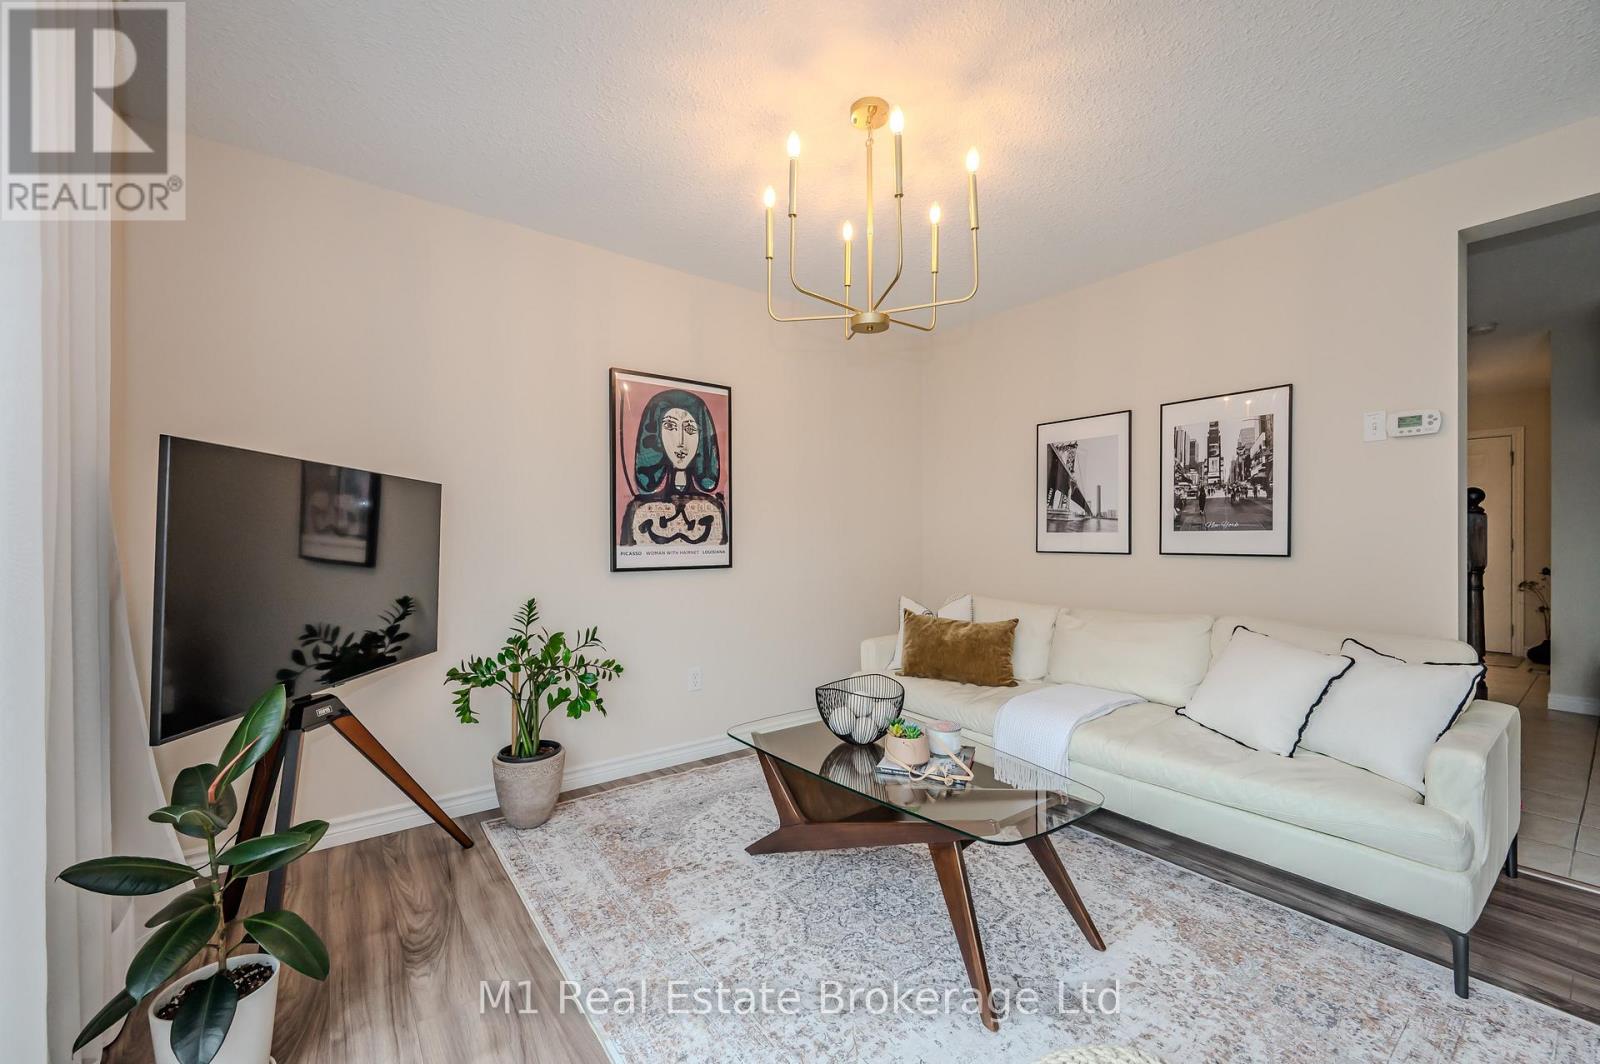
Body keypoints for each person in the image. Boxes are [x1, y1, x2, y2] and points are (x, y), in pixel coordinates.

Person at [619, 388, 728, 547]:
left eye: (690, 429)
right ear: (656, 433)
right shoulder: (638, 510)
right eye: (670, 427)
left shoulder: (714, 509)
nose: (681, 442)